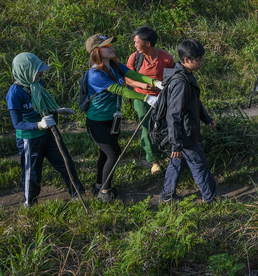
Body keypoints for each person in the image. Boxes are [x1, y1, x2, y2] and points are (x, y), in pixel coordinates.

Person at [85, 34, 163, 202]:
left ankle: (99, 184)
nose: (111, 47)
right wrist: (146, 98)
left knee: (105, 155)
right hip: (97, 121)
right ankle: (105, 192)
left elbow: (134, 76)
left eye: (110, 44)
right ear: (96, 51)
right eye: (106, 46)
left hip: (113, 119)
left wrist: (155, 83)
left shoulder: (115, 65)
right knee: (113, 154)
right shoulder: (94, 74)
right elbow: (119, 90)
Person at [6, 53, 85, 207]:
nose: (40, 74)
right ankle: (30, 203)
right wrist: (38, 125)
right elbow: (17, 124)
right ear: (24, 71)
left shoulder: (37, 83)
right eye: (36, 71)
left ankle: (78, 193)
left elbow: (42, 104)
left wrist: (57, 110)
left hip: (48, 133)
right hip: (30, 138)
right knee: (32, 173)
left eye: (40, 71)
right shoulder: (14, 93)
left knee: (65, 162)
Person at [160, 39, 219, 204]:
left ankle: (167, 196)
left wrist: (206, 119)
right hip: (184, 135)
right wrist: (176, 143)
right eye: (198, 60)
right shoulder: (180, 82)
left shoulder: (187, 76)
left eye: (201, 59)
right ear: (186, 60)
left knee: (176, 165)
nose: (201, 63)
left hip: (184, 133)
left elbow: (194, 102)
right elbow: (173, 115)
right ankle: (210, 198)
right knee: (200, 166)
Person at [125, 26, 175, 175]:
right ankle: (153, 160)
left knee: (163, 126)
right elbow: (127, 78)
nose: (134, 45)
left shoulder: (166, 58)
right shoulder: (135, 57)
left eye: (136, 42)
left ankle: (164, 153)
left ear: (147, 43)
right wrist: (142, 85)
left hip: (161, 98)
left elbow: (172, 79)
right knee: (146, 128)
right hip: (142, 99)